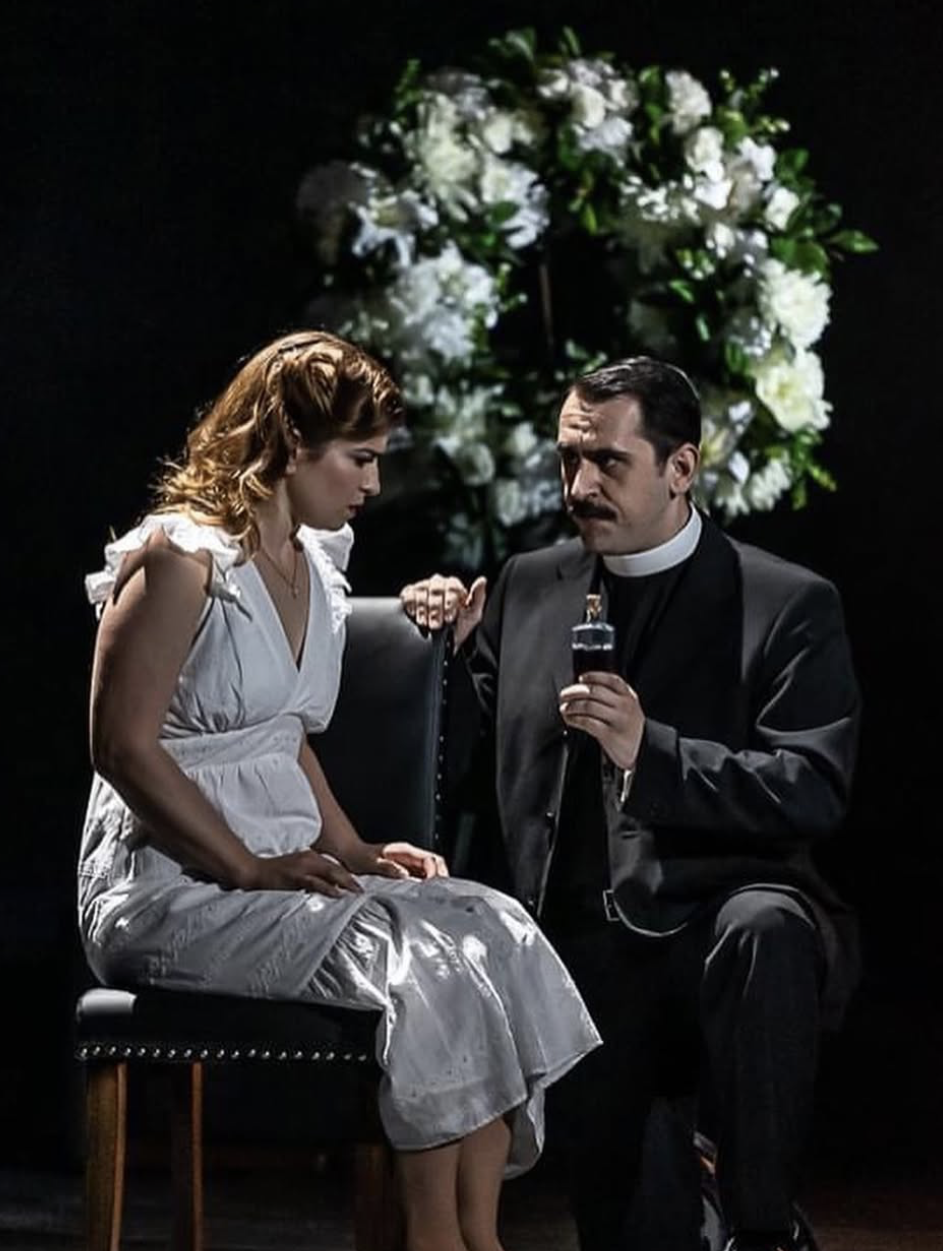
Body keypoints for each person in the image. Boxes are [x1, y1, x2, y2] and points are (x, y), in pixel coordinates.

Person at [77, 330, 600, 1251]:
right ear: (287, 444)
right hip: (170, 888)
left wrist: (356, 851)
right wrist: (243, 867)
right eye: (358, 458)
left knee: (486, 925)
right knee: (415, 961)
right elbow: (121, 745)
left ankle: (480, 1235)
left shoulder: (315, 562)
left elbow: (287, 740)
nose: (372, 483)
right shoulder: (179, 561)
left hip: (282, 866)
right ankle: (433, 1239)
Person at [400, 356, 860, 1251]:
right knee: (635, 1233)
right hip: (575, 950)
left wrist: (650, 753)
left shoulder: (785, 602)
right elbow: (466, 774)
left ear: (681, 468)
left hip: (715, 924)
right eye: (569, 459)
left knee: (766, 926)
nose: (580, 485)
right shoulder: (529, 585)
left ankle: (764, 1225)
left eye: (607, 462)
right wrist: (445, 656)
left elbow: (811, 787)